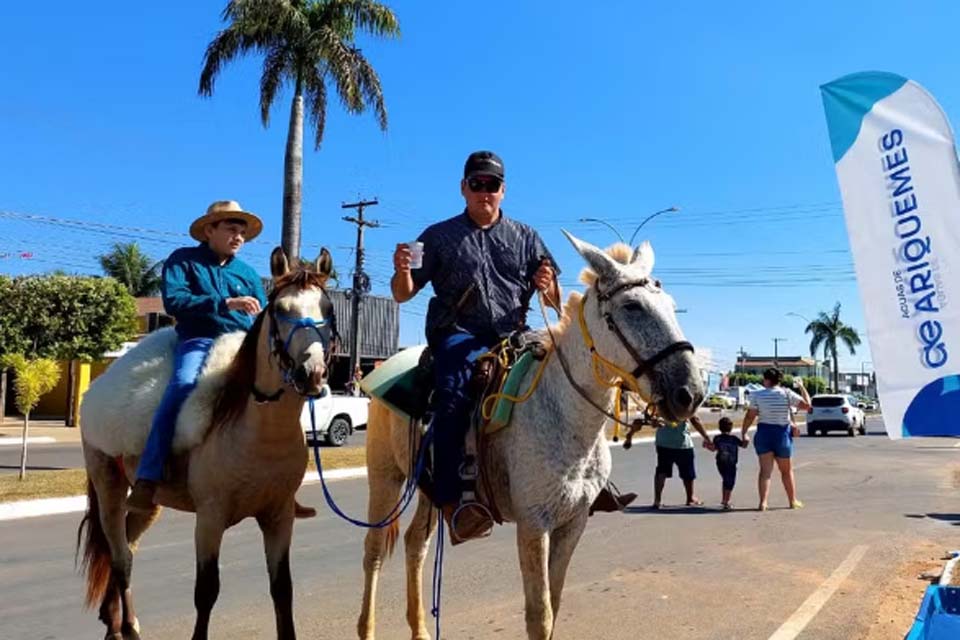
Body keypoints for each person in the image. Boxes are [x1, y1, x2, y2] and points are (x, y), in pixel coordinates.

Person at [391, 151, 633, 543]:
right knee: (452, 399)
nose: (484, 192)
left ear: (503, 191)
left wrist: (547, 284)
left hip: (516, 334)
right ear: (463, 188)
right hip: (459, 335)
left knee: (570, 375)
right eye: (477, 184)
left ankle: (591, 480)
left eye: (492, 185)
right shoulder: (436, 236)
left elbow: (553, 301)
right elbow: (402, 294)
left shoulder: (526, 237)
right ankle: (453, 502)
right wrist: (402, 270)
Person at [125, 201, 317, 516]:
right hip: (200, 340)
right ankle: (148, 477)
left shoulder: (248, 273)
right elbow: (174, 301)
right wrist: (226, 303)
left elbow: (262, 318)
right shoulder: (183, 260)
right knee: (182, 386)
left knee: (283, 392)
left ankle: (285, 489)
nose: (238, 236)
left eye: (242, 232)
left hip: (243, 344)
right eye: (231, 229)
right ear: (209, 230)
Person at [740, 367, 812, 511]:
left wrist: (744, 432)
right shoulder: (786, 393)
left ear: (766, 379)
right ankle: (792, 501)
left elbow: (750, 416)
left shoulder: (757, 395)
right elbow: (807, 406)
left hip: (764, 433)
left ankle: (763, 503)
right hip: (781, 435)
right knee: (786, 471)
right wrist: (802, 387)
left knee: (765, 472)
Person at [652, 413, 714, 509]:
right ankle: (690, 498)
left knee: (661, 470)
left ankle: (657, 500)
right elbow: (695, 420)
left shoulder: (662, 405)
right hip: (682, 443)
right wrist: (706, 437)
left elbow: (654, 421)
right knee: (688, 472)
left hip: (663, 442)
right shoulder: (685, 405)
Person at [713, 417, 742, 510]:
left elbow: (713, 448)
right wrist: (746, 437)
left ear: (719, 427)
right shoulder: (734, 439)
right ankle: (726, 502)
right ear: (731, 427)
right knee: (730, 482)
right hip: (731, 463)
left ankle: (724, 500)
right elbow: (744, 445)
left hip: (720, 462)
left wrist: (706, 445)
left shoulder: (717, 438)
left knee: (726, 480)